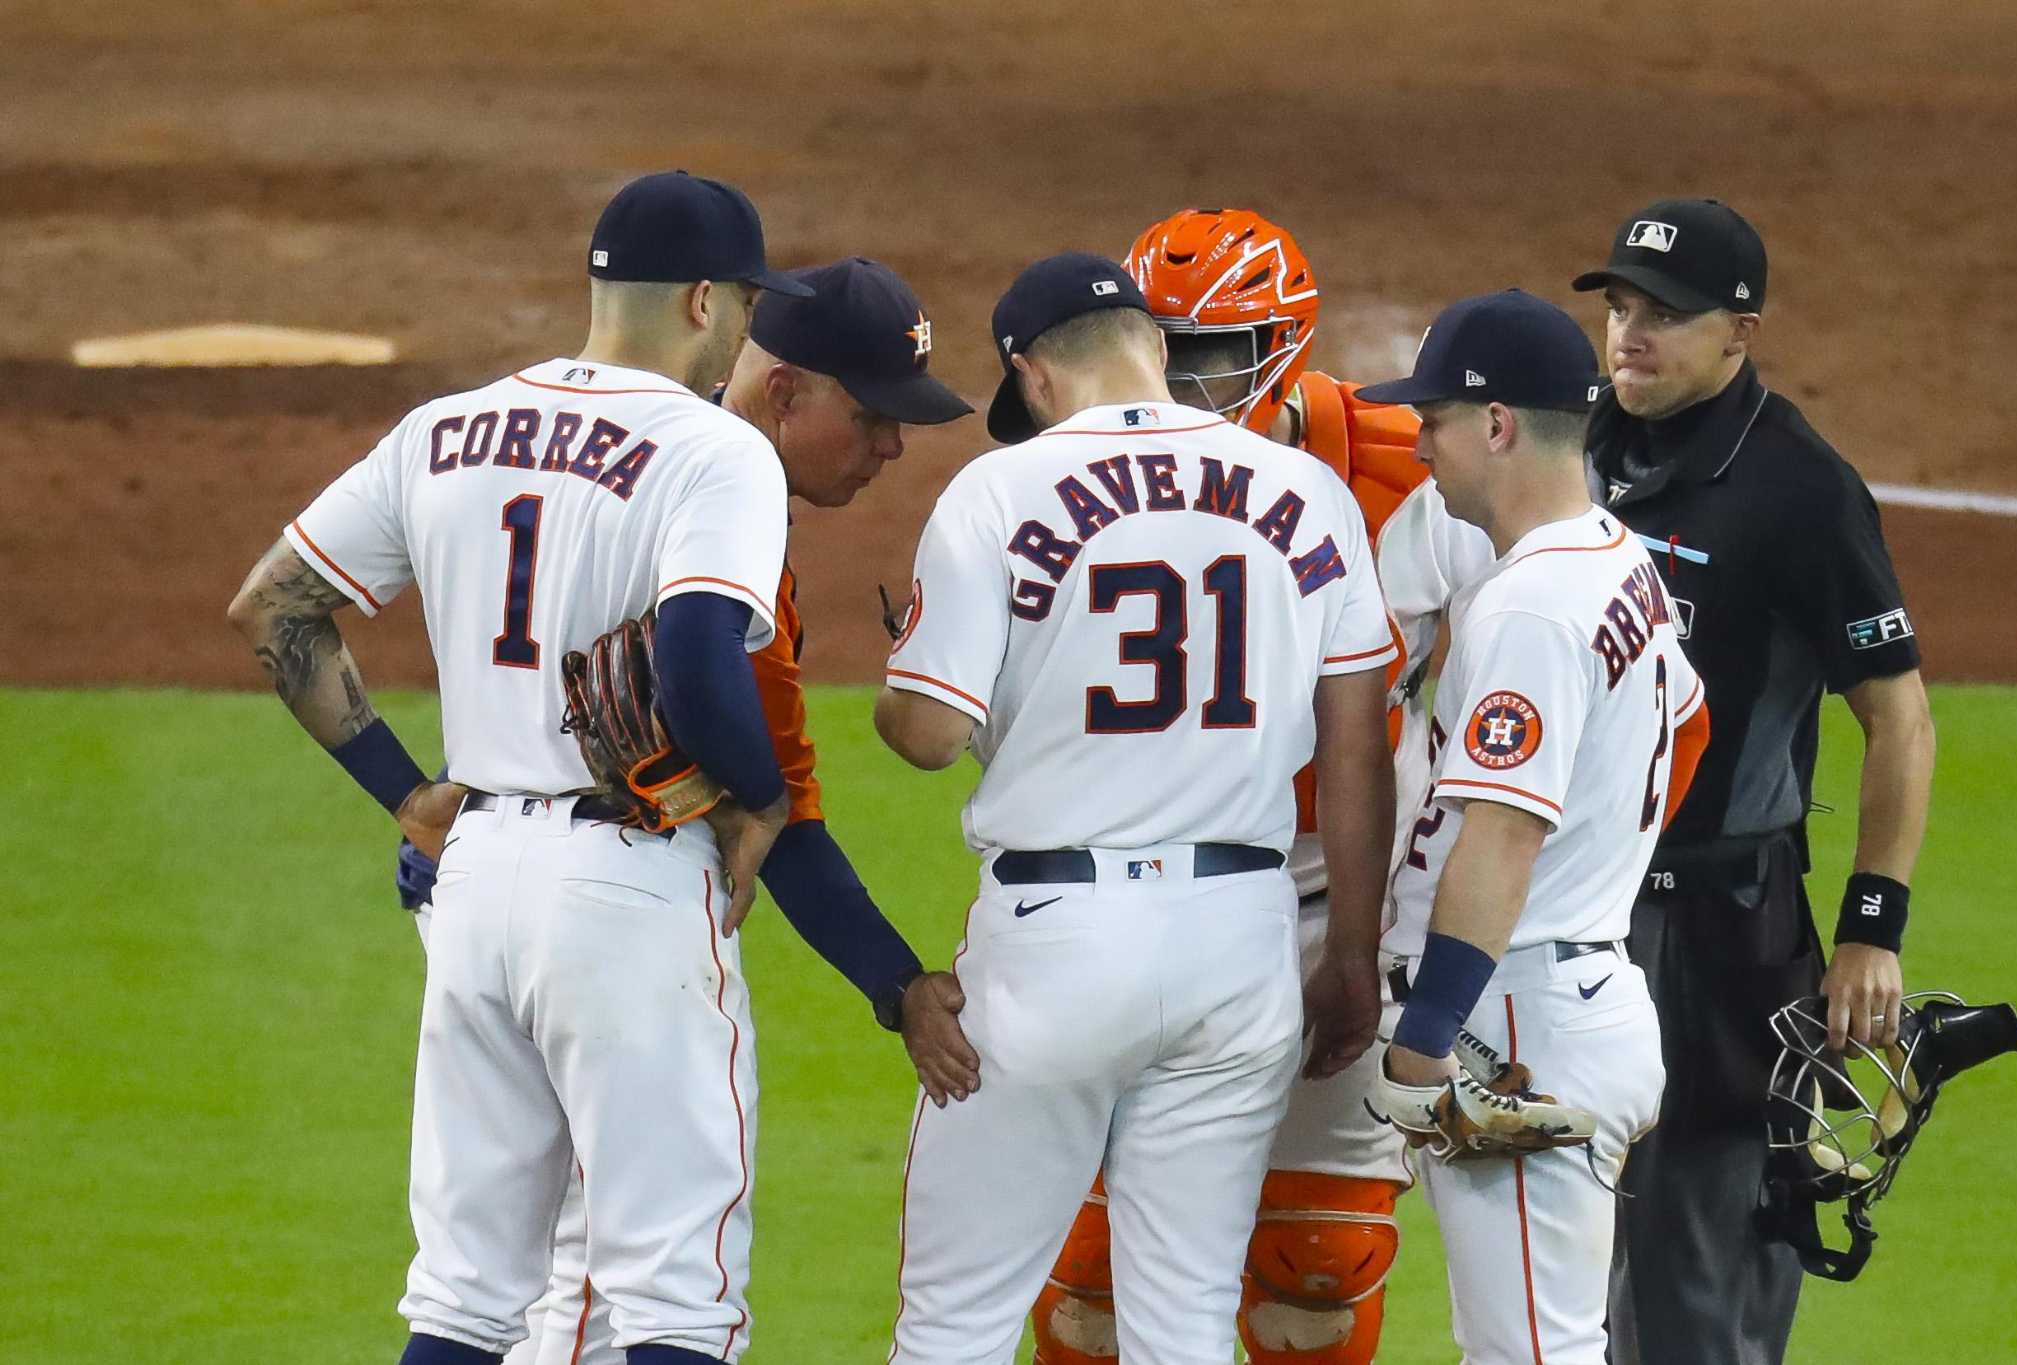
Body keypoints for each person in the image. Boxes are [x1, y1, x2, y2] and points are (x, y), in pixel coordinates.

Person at [230, 170, 818, 1365]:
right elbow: (706, 661)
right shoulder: (714, 451)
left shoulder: (443, 428)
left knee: (462, 1295)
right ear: (705, 300)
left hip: (474, 880)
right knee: (672, 1297)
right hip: (626, 885)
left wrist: (408, 792)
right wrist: (762, 797)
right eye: (747, 309)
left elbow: (271, 606)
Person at [387, 256, 983, 1365]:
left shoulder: (562, 437)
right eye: (872, 418)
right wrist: (894, 982)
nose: (893, 449)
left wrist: (427, 810)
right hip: (608, 918)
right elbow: (768, 791)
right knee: (641, 1299)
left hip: (481, 896)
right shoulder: (715, 496)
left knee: (483, 1297)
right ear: (784, 392)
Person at [874, 252, 1399, 1365]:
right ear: (1157, 350)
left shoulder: (998, 491)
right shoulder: (1307, 493)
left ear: (1032, 376)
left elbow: (926, 738)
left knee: (955, 1327)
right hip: (1244, 943)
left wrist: (907, 673)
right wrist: (1350, 950)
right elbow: (1357, 747)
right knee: (1186, 1328)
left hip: (1054, 947)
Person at [1029, 208, 1496, 1365]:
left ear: (1285, 346)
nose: (1179, 381)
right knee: (1089, 1282)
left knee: (1315, 1274)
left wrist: (1410, 937)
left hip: (1337, 902)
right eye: (1162, 345)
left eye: (1211, 352)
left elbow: (1510, 692)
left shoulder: (1414, 469)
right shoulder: (1071, 473)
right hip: (1133, 899)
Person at [1571, 199, 1937, 1365]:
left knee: (1692, 1270)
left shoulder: (1796, 490)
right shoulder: (1571, 447)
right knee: (1554, 1252)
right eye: (1619, 306)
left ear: (1740, 329)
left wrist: (1869, 932)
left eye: (1664, 316)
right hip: (1569, 904)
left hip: (1713, 929)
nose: (1629, 333)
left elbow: (1899, 716)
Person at [1351, 288, 1710, 1364]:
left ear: (1496, 425)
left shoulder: (1527, 606)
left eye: (1432, 422)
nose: (1417, 445)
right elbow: (1687, 726)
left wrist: (1426, 1043)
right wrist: (1598, 862)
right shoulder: (1618, 560)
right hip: (1567, 990)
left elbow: (1499, 843)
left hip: (1513, 1026)